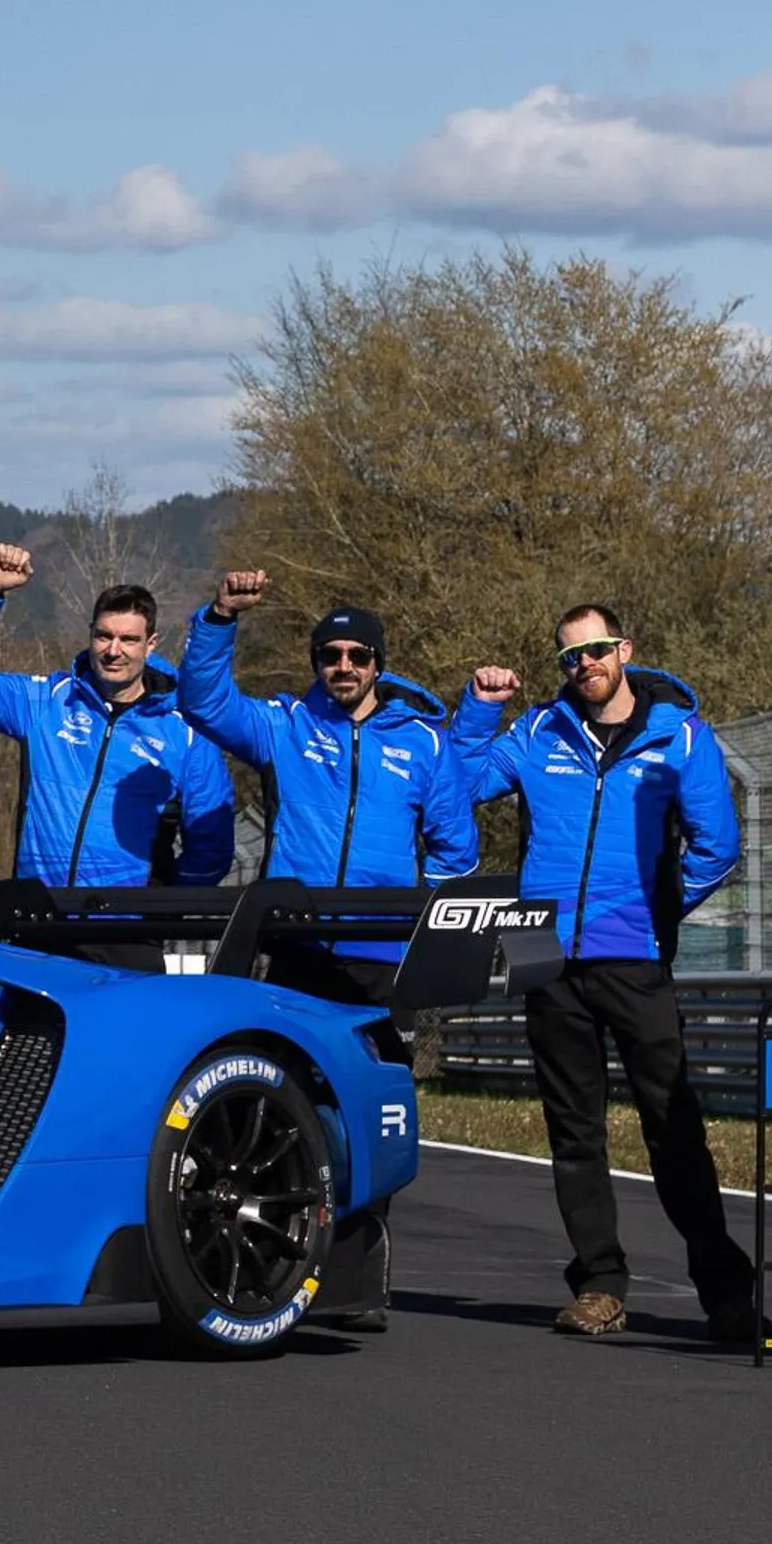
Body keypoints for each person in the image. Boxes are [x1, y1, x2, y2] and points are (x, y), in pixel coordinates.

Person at [452, 607, 765, 1345]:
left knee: (675, 1129)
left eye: (594, 650)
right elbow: (457, 786)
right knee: (574, 1133)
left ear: (623, 649)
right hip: (549, 959)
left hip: (635, 961)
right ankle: (599, 1284)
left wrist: (654, 912)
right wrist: (478, 708)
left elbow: (717, 847)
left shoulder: (680, 735)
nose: (582, 665)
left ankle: (726, 1294)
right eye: (569, 657)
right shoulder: (535, 732)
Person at [179, 568, 481, 1331]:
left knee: (371, 1115)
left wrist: (418, 928)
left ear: (379, 663)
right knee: (289, 1108)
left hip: (380, 960)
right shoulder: (284, 724)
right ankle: (282, 1260)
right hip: (295, 949)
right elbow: (204, 701)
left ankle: (354, 1271)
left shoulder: (423, 742)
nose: (342, 667)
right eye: (329, 654)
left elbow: (456, 851)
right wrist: (219, 618)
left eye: (356, 655)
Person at [0, 546, 233, 945]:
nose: (113, 650)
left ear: (151, 643)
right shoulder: (47, 702)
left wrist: (162, 904)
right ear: (90, 634)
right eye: (104, 635)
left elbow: (211, 843)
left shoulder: (187, 730)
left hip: (127, 934)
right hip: (35, 920)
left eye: (128, 639)